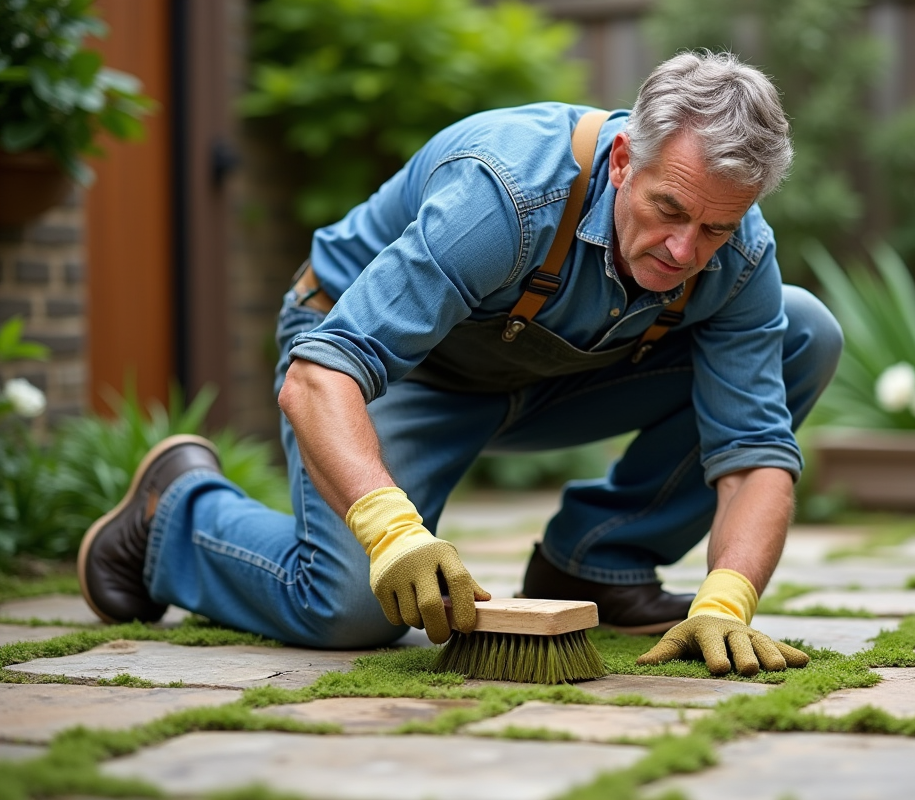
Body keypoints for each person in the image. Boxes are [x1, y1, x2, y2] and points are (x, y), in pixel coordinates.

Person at [78, 51, 842, 677]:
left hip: (549, 375)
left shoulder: (740, 254)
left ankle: (596, 562)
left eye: (715, 227)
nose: (684, 250)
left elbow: (754, 452)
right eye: (669, 210)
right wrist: (392, 533)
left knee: (803, 331)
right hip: (390, 368)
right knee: (350, 609)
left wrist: (729, 598)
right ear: (621, 161)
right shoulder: (508, 192)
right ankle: (174, 515)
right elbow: (321, 376)